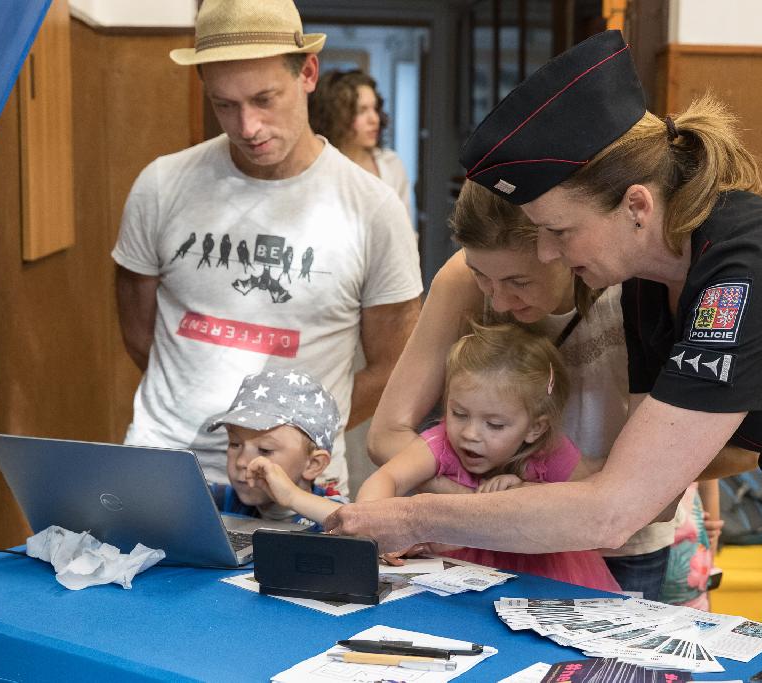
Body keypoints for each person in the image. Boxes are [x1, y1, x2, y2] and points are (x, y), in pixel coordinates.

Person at [328, 30, 762, 665]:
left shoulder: (746, 274)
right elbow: (637, 472)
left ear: (636, 206)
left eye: (559, 231)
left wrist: (418, 517)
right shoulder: (648, 287)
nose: (547, 253)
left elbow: (617, 508)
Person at [112, 0, 422, 495]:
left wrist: (296, 441)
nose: (247, 126)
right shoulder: (161, 185)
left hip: (298, 486)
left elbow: (393, 366)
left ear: (308, 73)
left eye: (264, 99)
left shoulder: (373, 208)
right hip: (165, 465)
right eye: (225, 105)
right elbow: (137, 332)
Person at [367, 183, 705, 599]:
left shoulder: (636, 286)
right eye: (482, 277)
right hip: (483, 538)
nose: (499, 301)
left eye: (518, 282)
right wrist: (482, 504)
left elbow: (655, 480)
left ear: (561, 247)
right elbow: (386, 436)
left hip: (618, 541)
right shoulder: (463, 278)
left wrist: (503, 504)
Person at [359, 322, 621, 592]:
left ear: (535, 428)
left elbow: (587, 506)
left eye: (494, 425)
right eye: (459, 414)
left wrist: (526, 492)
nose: (470, 434)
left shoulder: (551, 453)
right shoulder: (442, 443)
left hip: (546, 579)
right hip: (456, 574)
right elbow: (387, 477)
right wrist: (374, 532)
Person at [205, 371, 345, 531]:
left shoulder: (333, 508)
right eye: (235, 444)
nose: (241, 462)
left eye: (265, 450)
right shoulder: (225, 499)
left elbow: (354, 522)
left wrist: (292, 497)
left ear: (313, 464)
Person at [309, 69, 411, 212]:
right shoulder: (316, 169)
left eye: (375, 108)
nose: (374, 119)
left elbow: (405, 223)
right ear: (335, 116)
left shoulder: (392, 164)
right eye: (361, 110)